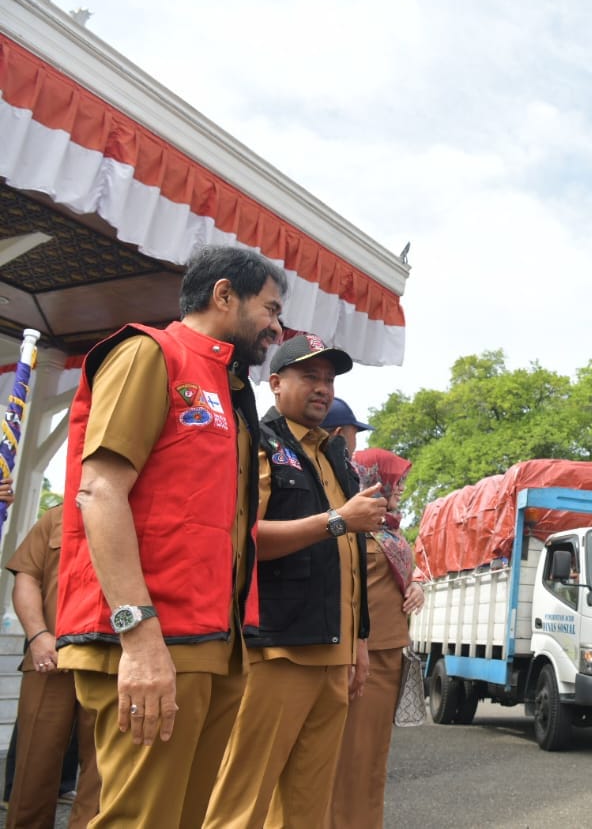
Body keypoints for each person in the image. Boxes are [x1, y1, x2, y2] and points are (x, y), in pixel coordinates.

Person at [56, 244, 285, 828]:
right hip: (152, 639)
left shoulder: (230, 392)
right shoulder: (151, 354)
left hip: (212, 643)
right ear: (224, 294)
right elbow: (100, 493)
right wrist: (139, 638)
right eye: (270, 309)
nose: (277, 329)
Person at [203, 334, 384, 828]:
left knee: (307, 806)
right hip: (277, 650)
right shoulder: (258, 442)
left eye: (329, 380)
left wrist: (360, 641)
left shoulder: (336, 456)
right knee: (242, 800)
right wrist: (338, 520)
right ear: (276, 383)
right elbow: (243, 538)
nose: (322, 388)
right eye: (310, 376)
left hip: (334, 654)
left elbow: (351, 559)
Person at [327, 447, 424, 829]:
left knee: (371, 761)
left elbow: (401, 574)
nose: (400, 488)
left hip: (390, 654)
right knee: (350, 759)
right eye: (395, 480)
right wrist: (354, 647)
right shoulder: (352, 524)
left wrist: (416, 586)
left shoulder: (391, 530)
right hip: (360, 654)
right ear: (374, 479)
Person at [6, 503, 100, 829]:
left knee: (101, 777)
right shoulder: (56, 518)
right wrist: (37, 635)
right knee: (34, 766)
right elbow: (27, 577)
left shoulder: (147, 511)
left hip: (112, 662)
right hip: (50, 657)